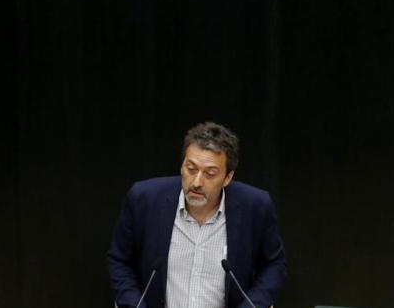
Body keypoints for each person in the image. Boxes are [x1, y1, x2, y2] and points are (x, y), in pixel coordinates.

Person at [108, 122, 287, 308]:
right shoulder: (145, 200)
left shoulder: (255, 206)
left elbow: (274, 264)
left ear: (228, 178)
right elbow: (119, 260)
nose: (197, 182)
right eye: (191, 168)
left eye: (210, 173)